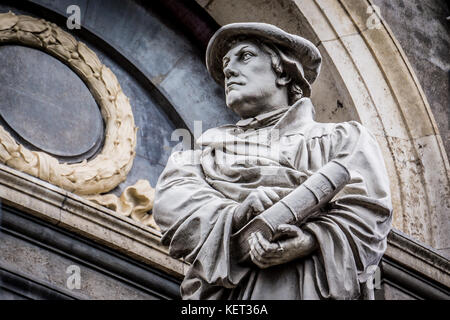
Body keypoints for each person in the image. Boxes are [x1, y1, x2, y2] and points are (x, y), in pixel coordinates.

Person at [153, 23, 392, 300]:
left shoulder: (343, 139)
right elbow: (174, 207)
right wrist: (239, 212)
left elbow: (369, 215)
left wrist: (311, 240)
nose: (228, 70)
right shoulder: (201, 157)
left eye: (244, 56)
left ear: (284, 73)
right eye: (226, 62)